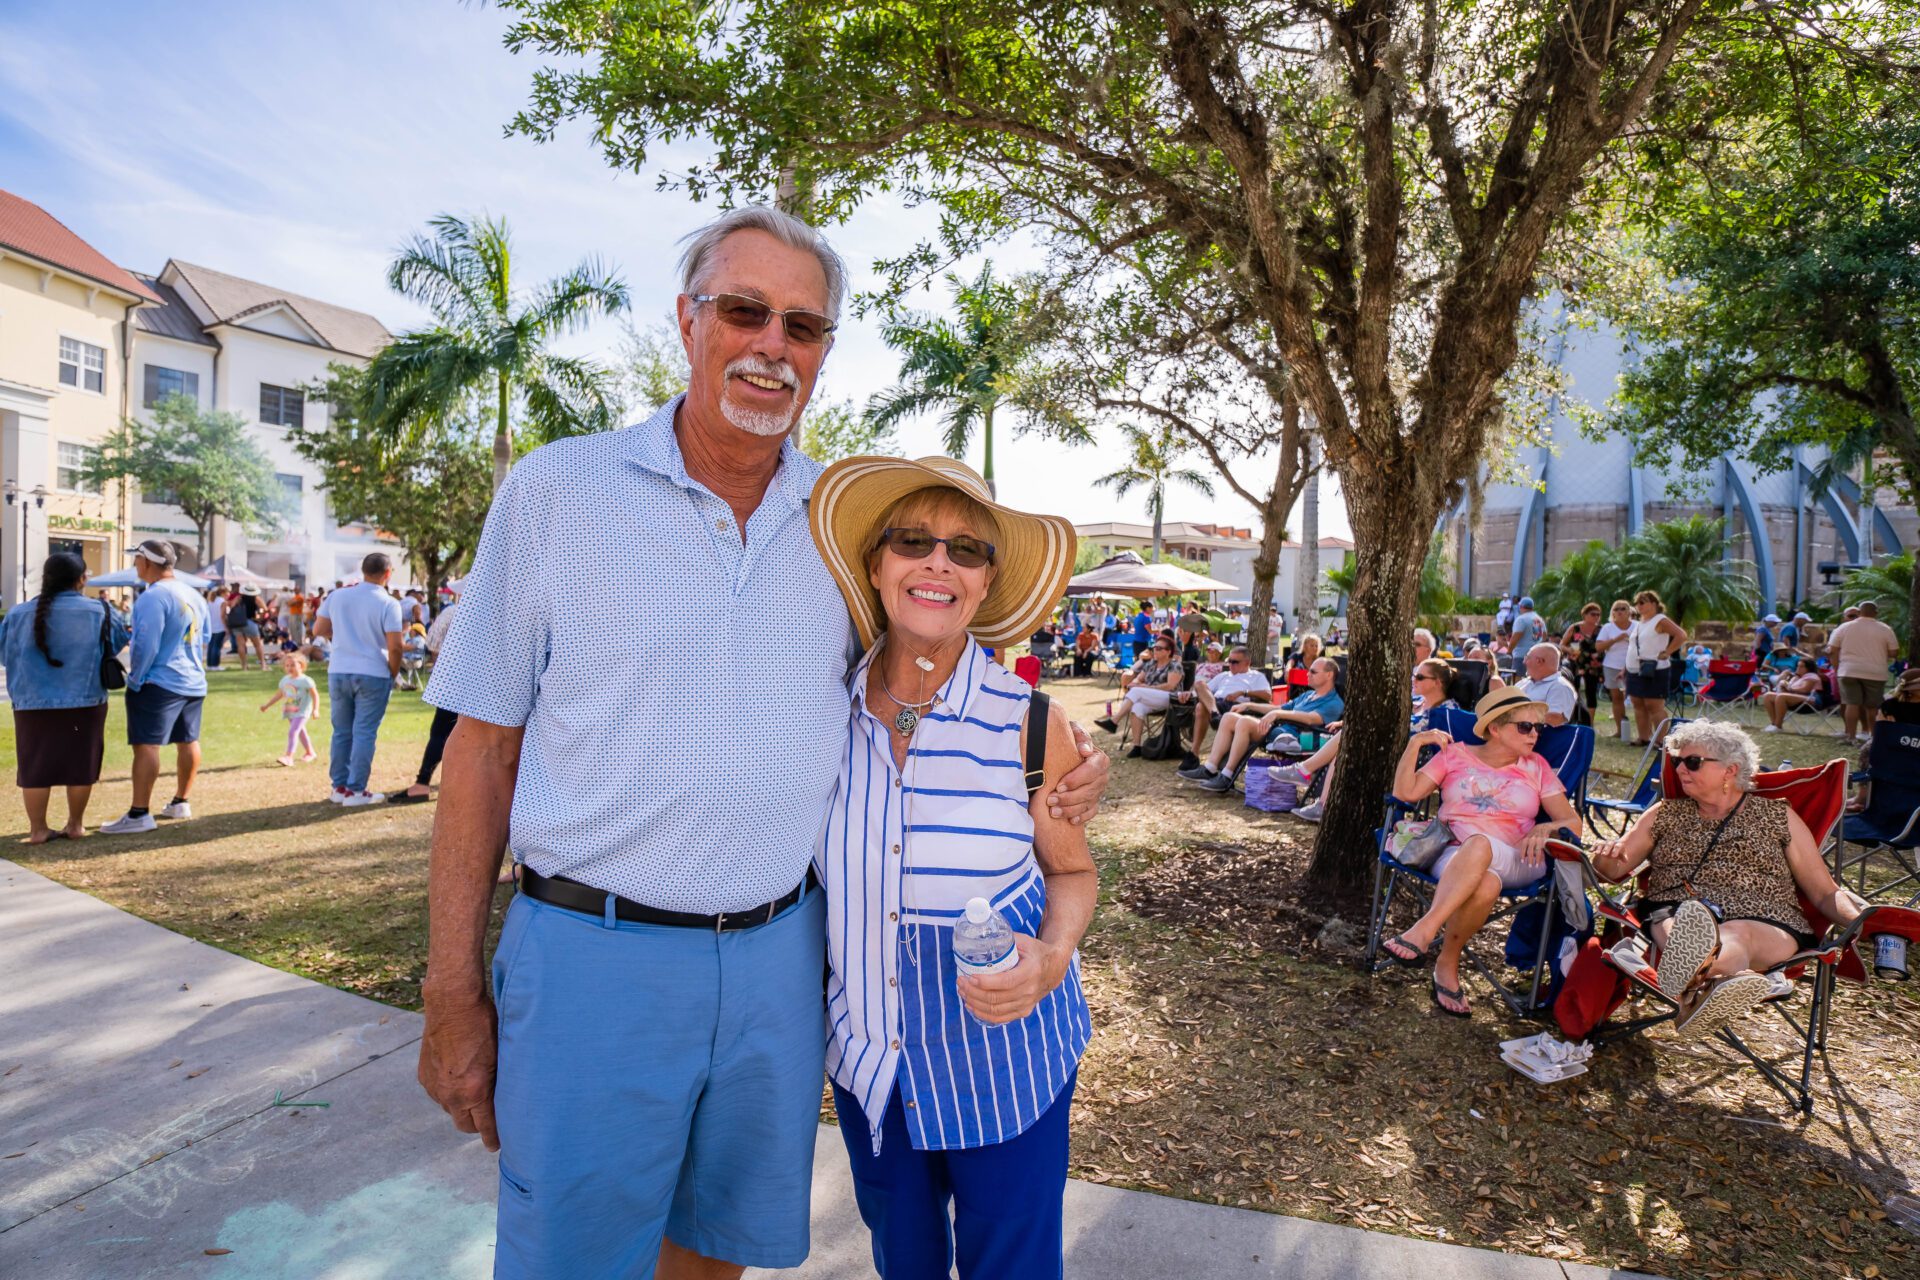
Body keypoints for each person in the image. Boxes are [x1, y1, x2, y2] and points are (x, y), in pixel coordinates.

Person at [413, 205, 1109, 1280]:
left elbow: (924, 666)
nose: (772, 345)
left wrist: (1059, 756)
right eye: (744, 310)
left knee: (716, 1251)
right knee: (574, 1256)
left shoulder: (838, 531)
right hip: (594, 950)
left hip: (784, 959)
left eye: (804, 325)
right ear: (687, 321)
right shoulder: (557, 490)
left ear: (825, 351)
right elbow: (482, 747)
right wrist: (450, 984)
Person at [810, 455, 1094, 1279]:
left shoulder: (1031, 726)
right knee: (906, 1268)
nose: (938, 562)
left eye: (966, 550)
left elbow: (1074, 875)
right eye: (913, 540)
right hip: (875, 1075)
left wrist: (1050, 958)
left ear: (984, 582)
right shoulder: (819, 713)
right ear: (876, 564)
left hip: (1007, 1072)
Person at [1588, 720, 1863, 1038]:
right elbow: (1612, 871)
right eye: (1677, 761)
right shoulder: (1665, 813)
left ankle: (1693, 984)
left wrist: (1864, 920)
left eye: (1692, 762)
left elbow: (1824, 893)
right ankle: (1714, 985)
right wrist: (1605, 857)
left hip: (1766, 918)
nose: (1680, 770)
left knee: (1737, 932)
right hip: (1676, 908)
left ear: (1731, 771)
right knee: (1684, 924)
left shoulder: (1776, 816)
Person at [1380, 688, 1584, 1017]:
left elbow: (1572, 822)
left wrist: (1543, 828)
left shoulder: (1537, 767)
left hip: (1519, 858)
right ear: (1494, 728)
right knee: (1486, 882)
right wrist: (1414, 743)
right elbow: (1405, 792)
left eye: (1537, 729)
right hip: (1451, 854)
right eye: (1524, 727)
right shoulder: (1454, 755)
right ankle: (1447, 964)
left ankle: (1423, 930)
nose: (1534, 734)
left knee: (1481, 844)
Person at [0, 553, 128, 842]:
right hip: (85, 699)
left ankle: (37, 829)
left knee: (34, 767)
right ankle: (75, 825)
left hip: (31, 702)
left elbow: (5, 654)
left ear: (46, 578)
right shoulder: (100, 610)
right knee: (80, 766)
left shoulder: (17, 614)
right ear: (81, 579)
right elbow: (117, 643)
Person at [101, 540, 211, 835]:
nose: (134, 565)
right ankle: (180, 801)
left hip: (160, 681)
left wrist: (136, 679)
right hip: (192, 679)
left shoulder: (153, 597)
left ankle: (139, 813)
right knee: (188, 740)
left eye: (136, 559)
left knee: (146, 745)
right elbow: (206, 638)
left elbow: (146, 645)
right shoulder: (193, 594)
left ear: (146, 561)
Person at [1274, 658, 1459, 824]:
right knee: (1344, 746)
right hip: (1384, 746)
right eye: (1413, 675)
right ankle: (1322, 804)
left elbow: (1443, 744)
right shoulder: (1413, 701)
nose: (1413, 679)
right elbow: (1384, 719)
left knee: (1348, 738)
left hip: (1407, 759)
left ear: (1437, 682)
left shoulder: (1447, 710)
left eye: (1419, 677)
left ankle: (1305, 771)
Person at [313, 552, 404, 805]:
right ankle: (356, 789)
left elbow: (318, 630)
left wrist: (342, 636)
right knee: (364, 732)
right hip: (373, 670)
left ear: (362, 571)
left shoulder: (339, 595)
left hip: (340, 668)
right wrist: (393, 672)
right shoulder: (388, 602)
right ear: (387, 573)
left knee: (341, 731)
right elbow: (395, 646)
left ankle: (339, 787)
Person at [1187, 656, 1343, 791]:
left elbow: (1311, 719)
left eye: (1313, 672)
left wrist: (1276, 714)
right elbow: (1279, 707)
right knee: (1229, 717)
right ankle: (1210, 768)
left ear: (1329, 675)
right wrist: (1249, 705)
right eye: (1309, 670)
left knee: (1245, 722)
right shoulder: (1308, 695)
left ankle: (1227, 775)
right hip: (1277, 731)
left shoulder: (1334, 702)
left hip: (1296, 740)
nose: (1307, 674)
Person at [390, 589, 462, 805]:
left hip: (456, 679)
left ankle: (422, 783)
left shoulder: (453, 613)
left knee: (441, 732)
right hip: (497, 686)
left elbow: (433, 643)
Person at [1179, 644, 1271, 760]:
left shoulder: (1256, 676)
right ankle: (1196, 749)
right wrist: (1189, 693)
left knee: (1200, 707)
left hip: (1236, 707)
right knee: (1199, 685)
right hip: (1216, 704)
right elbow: (1205, 689)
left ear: (1247, 663)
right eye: (1229, 661)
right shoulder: (1223, 675)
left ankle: (1194, 752)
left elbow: (1268, 695)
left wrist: (1243, 692)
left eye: (1235, 662)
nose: (1230, 665)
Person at [1827, 599, 1901, 743]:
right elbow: (1893, 653)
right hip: (1875, 672)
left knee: (1851, 703)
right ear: (1876, 613)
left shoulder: (1844, 627)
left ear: (1860, 612)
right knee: (1872, 706)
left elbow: (1832, 649)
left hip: (1848, 670)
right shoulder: (1885, 629)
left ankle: (1851, 736)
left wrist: (1837, 668)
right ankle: (1873, 737)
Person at [1096, 636, 1181, 757]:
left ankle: (1114, 721)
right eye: (1154, 647)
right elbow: (1138, 679)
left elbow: (1170, 686)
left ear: (1168, 652)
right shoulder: (1151, 664)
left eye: (1158, 648)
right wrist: (1134, 683)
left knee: (1137, 692)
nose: (1154, 650)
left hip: (1170, 698)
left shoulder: (1174, 665)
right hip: (1150, 697)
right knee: (1137, 707)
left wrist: (1144, 687)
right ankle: (1137, 746)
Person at [1623, 590, 1687, 746]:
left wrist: (1668, 652)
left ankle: (1660, 741)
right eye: (1637, 603)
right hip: (1635, 669)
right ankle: (1643, 738)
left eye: (1642, 602)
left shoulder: (1660, 620)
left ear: (1654, 604)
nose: (1639, 606)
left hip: (1654, 668)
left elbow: (1681, 635)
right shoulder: (1640, 624)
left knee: (1654, 705)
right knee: (1637, 702)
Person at [260, 649, 320, 766]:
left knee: (293, 732)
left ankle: (289, 757)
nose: (289, 667)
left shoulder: (306, 681)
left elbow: (315, 695)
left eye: (293, 665)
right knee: (301, 732)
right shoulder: (285, 680)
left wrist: (315, 709)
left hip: (302, 712)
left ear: (301, 666)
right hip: (290, 711)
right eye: (287, 665)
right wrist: (267, 705)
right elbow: (279, 695)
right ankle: (310, 752)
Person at [1517, 641, 1579, 727]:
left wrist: (1516, 716)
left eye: (1527, 658)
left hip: (1539, 737)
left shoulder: (1560, 687)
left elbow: (1554, 719)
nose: (1524, 662)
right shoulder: (1524, 682)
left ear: (1539, 661)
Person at [1560, 603, 1604, 720]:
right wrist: (1569, 649)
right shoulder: (1575, 628)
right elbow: (1562, 645)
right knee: (1573, 691)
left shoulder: (1602, 629)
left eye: (1598, 615)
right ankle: (1572, 718)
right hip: (1576, 663)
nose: (1596, 617)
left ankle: (1590, 723)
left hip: (1593, 665)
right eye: (1593, 614)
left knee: (1591, 693)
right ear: (1584, 614)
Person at [1758, 657, 1828, 732]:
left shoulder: (1812, 676)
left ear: (1809, 668)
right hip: (1799, 700)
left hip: (1811, 700)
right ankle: (1774, 724)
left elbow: (1805, 689)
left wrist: (1789, 689)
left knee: (1781, 697)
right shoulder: (1798, 677)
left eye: (1801, 666)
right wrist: (1785, 686)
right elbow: (1790, 690)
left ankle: (1778, 726)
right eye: (1798, 666)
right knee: (1767, 696)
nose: (1798, 668)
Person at [227, 583, 267, 670]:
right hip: (250, 621)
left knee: (241, 645)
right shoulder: (256, 598)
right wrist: (260, 617)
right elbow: (265, 609)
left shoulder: (239, 597)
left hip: (238, 622)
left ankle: (244, 666)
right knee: (257, 645)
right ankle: (263, 665)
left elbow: (232, 606)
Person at [203, 584, 227, 670]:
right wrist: (226, 627)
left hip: (211, 627)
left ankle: (209, 665)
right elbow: (222, 616)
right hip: (219, 626)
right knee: (217, 646)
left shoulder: (210, 601)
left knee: (211, 646)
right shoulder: (222, 602)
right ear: (223, 592)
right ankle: (215, 665)